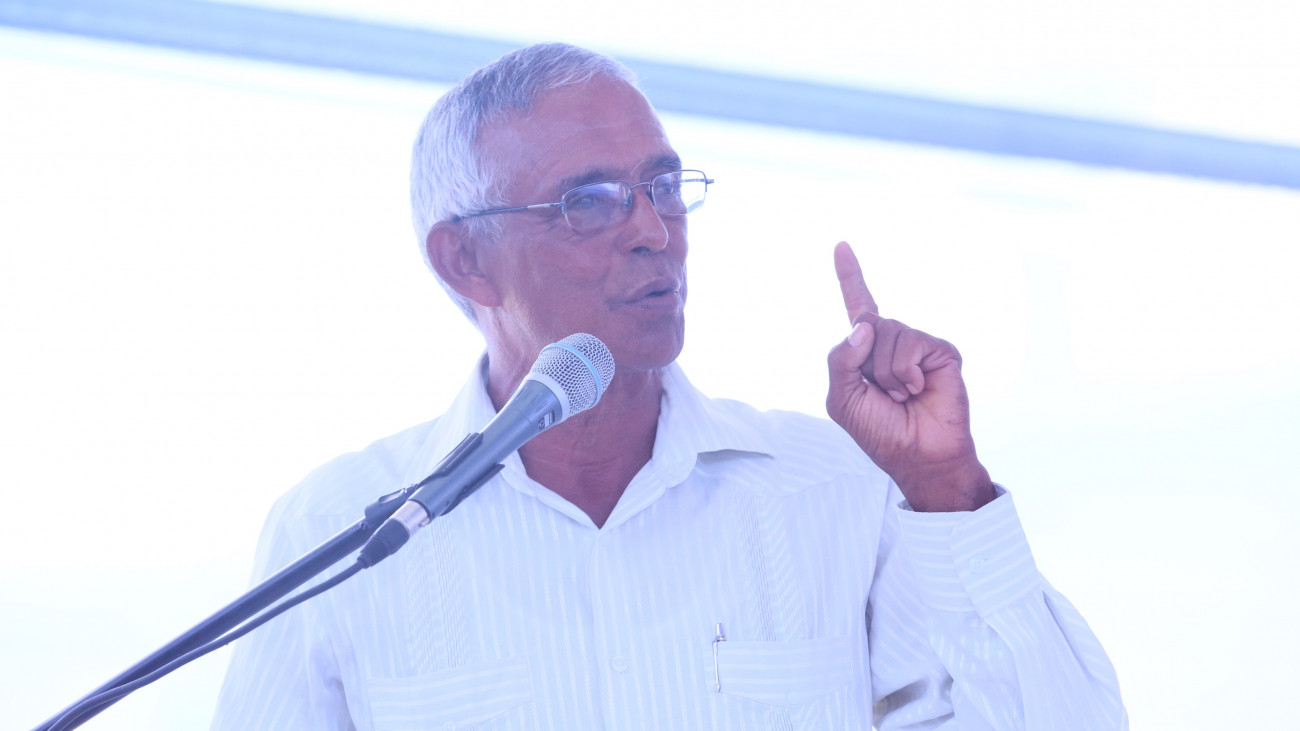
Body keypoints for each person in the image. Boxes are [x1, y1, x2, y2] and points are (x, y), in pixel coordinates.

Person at [212, 43, 1125, 729]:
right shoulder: (339, 535)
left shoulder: (836, 490)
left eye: (663, 186)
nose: (655, 230)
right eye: (589, 202)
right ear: (465, 261)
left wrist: (947, 487)